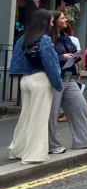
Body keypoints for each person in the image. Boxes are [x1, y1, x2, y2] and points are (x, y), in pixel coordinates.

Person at [8, 9, 62, 164]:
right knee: (39, 119)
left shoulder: (24, 38)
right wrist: (58, 84)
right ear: (45, 22)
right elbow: (51, 64)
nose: (52, 24)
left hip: (25, 80)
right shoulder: (44, 39)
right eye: (51, 21)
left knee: (25, 116)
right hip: (40, 80)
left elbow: (17, 60)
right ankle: (34, 155)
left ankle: (18, 150)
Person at [48, 11, 87, 154]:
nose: (66, 20)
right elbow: (45, 58)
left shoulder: (66, 37)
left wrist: (76, 57)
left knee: (80, 106)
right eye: (62, 18)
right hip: (56, 79)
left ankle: (84, 141)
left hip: (69, 78)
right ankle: (51, 145)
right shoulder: (47, 38)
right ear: (54, 21)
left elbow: (75, 52)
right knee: (52, 114)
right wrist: (62, 57)